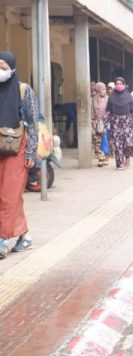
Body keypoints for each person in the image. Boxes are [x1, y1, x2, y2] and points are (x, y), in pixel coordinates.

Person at [0, 51, 38, 258]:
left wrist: (31, 152)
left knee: (8, 194)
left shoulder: (24, 90)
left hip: (16, 149)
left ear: (12, 69)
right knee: (9, 196)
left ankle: (2, 239)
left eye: (4, 68)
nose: (0, 72)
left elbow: (33, 123)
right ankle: (24, 237)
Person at [105, 77, 133, 170]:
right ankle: (119, 163)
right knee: (118, 144)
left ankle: (127, 158)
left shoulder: (129, 96)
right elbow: (108, 112)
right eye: (117, 83)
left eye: (120, 83)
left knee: (128, 143)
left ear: (124, 84)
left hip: (127, 123)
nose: (118, 85)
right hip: (115, 123)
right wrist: (106, 125)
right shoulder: (111, 97)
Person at [91, 82, 109, 167]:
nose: (104, 91)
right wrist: (93, 122)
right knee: (96, 142)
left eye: (105, 89)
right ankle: (100, 158)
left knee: (105, 141)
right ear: (98, 90)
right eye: (102, 89)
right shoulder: (93, 100)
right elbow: (91, 112)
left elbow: (109, 112)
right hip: (96, 123)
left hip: (106, 123)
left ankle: (105, 158)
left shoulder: (108, 99)